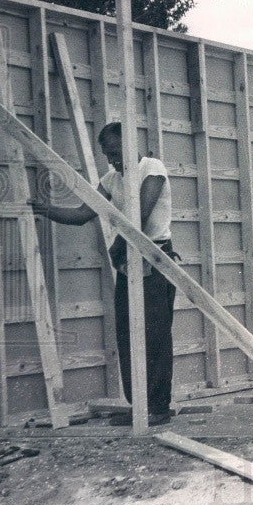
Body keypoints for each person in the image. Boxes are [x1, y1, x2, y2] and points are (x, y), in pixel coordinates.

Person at [30, 122, 177, 426]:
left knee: (155, 335)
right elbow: (83, 214)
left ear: (129, 144)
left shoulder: (152, 167)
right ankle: (139, 407)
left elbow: (141, 212)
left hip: (155, 257)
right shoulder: (111, 180)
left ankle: (159, 407)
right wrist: (44, 209)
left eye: (114, 153)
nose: (111, 161)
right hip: (128, 263)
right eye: (107, 156)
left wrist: (118, 246)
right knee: (126, 334)